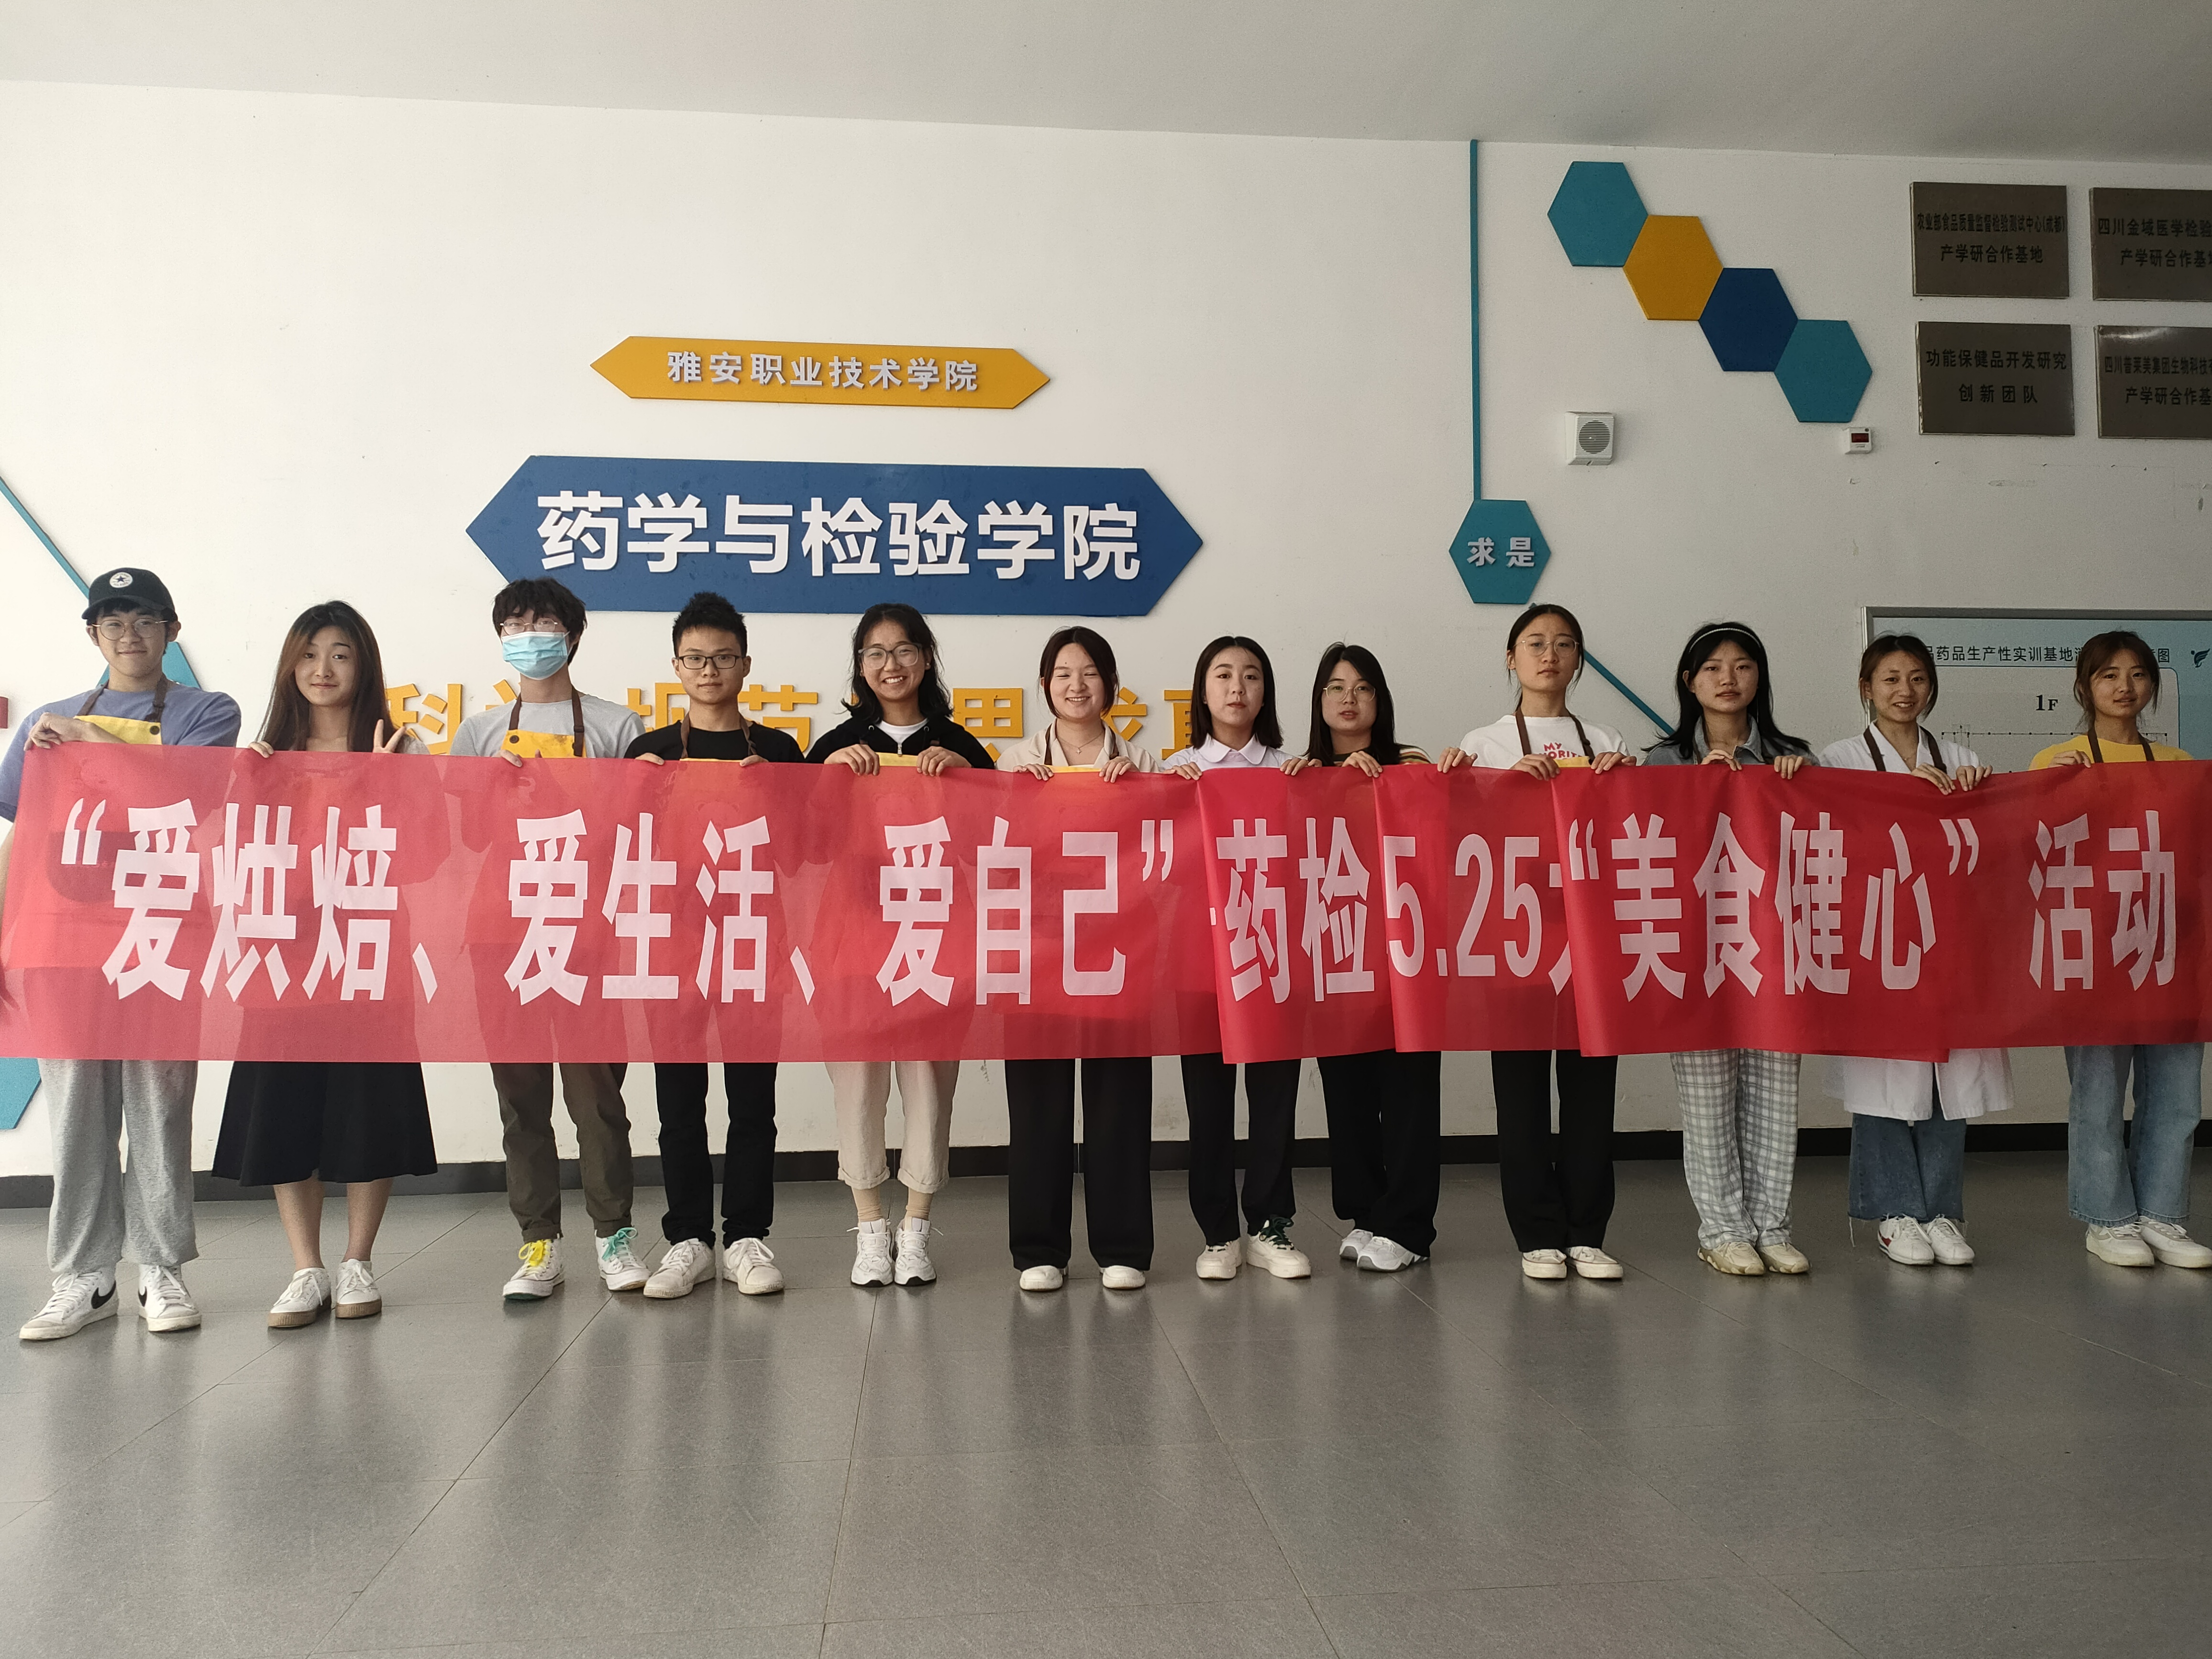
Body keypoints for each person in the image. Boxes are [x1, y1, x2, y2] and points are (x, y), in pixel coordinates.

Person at [5, 568, 241, 1340]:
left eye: (144, 620)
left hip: (161, 933)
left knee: (159, 1103)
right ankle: (83, 1274)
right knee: (77, 1110)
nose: (129, 634)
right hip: (65, 939)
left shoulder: (207, 712)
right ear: (93, 635)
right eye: (112, 622)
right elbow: (24, 829)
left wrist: (89, 741)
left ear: (172, 632)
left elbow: (190, 796)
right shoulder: (47, 720)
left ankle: (161, 1268)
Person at [211, 601, 437, 1327]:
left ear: (363, 665)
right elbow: (233, 855)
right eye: (309, 654)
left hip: (368, 949)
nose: (323, 669)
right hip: (285, 952)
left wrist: (389, 783)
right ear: (290, 666)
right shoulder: (265, 755)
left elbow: (429, 858)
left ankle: (358, 1260)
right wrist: (244, 786)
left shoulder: (399, 747)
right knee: (287, 1103)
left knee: (369, 1103)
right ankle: (306, 1268)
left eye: (340, 654)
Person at [449, 577, 649, 1302]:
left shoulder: (618, 726)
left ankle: (614, 1238)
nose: (528, 636)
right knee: (521, 1097)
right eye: (514, 625)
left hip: (588, 930)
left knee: (597, 1096)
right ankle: (539, 1244)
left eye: (543, 623)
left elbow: (638, 831)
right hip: (504, 931)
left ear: (573, 635)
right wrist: (493, 791)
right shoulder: (478, 733)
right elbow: (471, 838)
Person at [1438, 602, 1634, 1283]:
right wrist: (1495, 788)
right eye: (1535, 643)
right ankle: (1537, 1233)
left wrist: (1623, 782)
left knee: (1591, 1092)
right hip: (1516, 937)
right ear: (1511, 658)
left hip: (1591, 938)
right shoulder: (1484, 743)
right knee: (1520, 1095)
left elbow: (1628, 836)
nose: (1550, 655)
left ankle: (1588, 1231)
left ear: (1579, 660)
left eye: (1564, 644)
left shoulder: (1605, 738)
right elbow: (1458, 836)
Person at [807, 603, 992, 1287]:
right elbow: (804, 846)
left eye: (905, 650)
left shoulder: (961, 745)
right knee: (857, 1087)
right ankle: (870, 1230)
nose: (892, 665)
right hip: (855, 941)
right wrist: (829, 779)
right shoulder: (834, 746)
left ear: (926, 659)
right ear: (861, 666)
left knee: (929, 1086)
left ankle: (915, 1229)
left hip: (935, 940)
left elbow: (996, 842)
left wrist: (968, 781)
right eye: (877, 653)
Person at [625, 592, 802, 1299]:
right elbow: (623, 850)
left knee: (754, 1100)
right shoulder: (650, 753)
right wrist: (638, 795)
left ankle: (749, 1236)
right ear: (676, 666)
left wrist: (778, 798)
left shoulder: (779, 751)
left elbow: (805, 855)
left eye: (723, 658)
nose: (709, 670)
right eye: (695, 659)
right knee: (679, 1101)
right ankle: (689, 1239)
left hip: (754, 940)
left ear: (745, 665)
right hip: (673, 945)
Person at [1818, 634, 2007, 1268]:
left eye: (1918, 678)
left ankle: (1942, 1211)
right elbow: (1831, 843)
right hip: (1876, 939)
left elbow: (1990, 852)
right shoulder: (1840, 758)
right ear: (1866, 688)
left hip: (1947, 941)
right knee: (1883, 1082)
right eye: (1891, 679)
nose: (1906, 691)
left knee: (1947, 1078)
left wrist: (1976, 794)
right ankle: (1896, 1212)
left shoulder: (1962, 759)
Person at [2031, 630, 2208, 1270]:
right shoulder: (2058, 759)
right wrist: (2051, 792)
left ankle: (2161, 1214)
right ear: (2085, 687)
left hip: (2168, 946)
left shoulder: (2180, 764)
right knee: (2099, 1093)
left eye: (2137, 674)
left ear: (2152, 686)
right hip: (2096, 952)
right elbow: (2030, 851)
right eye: (2108, 675)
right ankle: (2106, 1219)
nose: (2124, 687)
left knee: (2177, 1092)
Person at [1643, 622, 1814, 1277]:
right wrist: (1696, 789)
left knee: (1775, 1095)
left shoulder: (1793, 758)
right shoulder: (1663, 763)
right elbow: (1645, 847)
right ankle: (1722, 1230)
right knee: (1708, 1100)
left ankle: (1772, 1227)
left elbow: (1826, 846)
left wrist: (1795, 784)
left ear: (1759, 679)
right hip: (1697, 953)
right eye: (1713, 668)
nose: (1728, 679)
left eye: (1743, 666)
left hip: (1775, 951)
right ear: (1690, 682)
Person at [997, 626, 1161, 1292]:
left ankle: (1122, 1246)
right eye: (1064, 674)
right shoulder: (1013, 762)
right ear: (1045, 686)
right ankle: (1039, 1248)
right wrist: (1020, 798)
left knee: (1119, 1097)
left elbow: (1165, 858)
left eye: (1090, 673)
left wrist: (1138, 792)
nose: (1077, 685)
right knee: (1038, 1102)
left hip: (1119, 951)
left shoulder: (1143, 761)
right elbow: (993, 854)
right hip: (1039, 952)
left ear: (1111, 686)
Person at [1282, 644, 1439, 1273]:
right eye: (1336, 687)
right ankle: (1367, 1213)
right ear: (1319, 701)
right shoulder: (1302, 771)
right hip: (1337, 954)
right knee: (1346, 1092)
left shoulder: (1410, 764)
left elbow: (1435, 845)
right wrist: (1301, 790)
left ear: (1381, 700)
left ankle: (1409, 1226)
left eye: (1363, 687)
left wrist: (1394, 784)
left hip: (1403, 957)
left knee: (1407, 1093)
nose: (1349, 699)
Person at [1163, 636, 1311, 1281]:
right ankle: (1219, 1232)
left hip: (1272, 952)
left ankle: (1271, 1224)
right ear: (1203, 691)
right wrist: (1168, 796)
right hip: (1200, 959)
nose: (1236, 688)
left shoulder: (1291, 770)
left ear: (1264, 692)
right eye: (1223, 675)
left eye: (1251, 676)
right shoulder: (1177, 770)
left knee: (1275, 1095)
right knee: (1209, 1101)